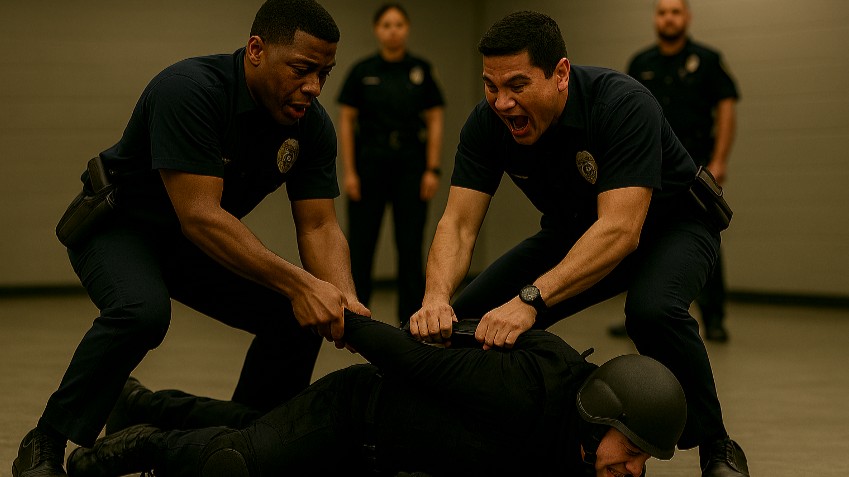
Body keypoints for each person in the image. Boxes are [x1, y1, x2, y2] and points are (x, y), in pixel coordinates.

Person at [11, 2, 369, 477]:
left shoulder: (311, 125)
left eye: (324, 73)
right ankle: (46, 439)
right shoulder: (190, 89)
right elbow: (200, 215)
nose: (313, 87)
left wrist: (341, 294)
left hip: (192, 242)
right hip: (122, 226)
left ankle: (240, 443)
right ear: (257, 50)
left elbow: (319, 225)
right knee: (142, 313)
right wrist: (303, 284)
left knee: (297, 317)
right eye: (302, 70)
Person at [407, 11, 748, 477]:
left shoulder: (621, 104)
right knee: (465, 324)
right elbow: (460, 223)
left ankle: (717, 447)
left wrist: (530, 299)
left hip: (673, 228)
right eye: (491, 86)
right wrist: (435, 298)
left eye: (517, 85)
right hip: (578, 232)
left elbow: (622, 231)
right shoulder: (486, 125)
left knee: (651, 310)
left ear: (560, 74)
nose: (502, 102)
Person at [64, 312, 687, 476]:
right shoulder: (523, 393)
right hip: (354, 414)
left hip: (383, 459)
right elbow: (417, 364)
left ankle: (141, 401)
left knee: (256, 423)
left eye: (642, 462)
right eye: (630, 450)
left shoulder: (582, 458)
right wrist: (343, 322)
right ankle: (135, 446)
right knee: (236, 462)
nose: (633, 469)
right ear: (597, 414)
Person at [610, 0, 739, 342]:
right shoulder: (641, 62)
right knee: (638, 237)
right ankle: (637, 312)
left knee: (701, 235)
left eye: (675, 12)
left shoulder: (708, 61)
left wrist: (720, 160)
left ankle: (714, 318)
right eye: (662, 12)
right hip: (649, 167)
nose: (668, 18)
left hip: (695, 169)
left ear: (687, 18)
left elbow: (726, 107)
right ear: (656, 18)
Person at [337, 3, 445, 325]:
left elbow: (436, 119)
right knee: (361, 246)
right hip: (369, 165)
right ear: (376, 30)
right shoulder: (362, 71)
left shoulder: (421, 70)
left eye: (398, 24)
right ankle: (356, 317)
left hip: (411, 165)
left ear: (407, 29)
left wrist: (432, 168)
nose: (393, 30)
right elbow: (346, 121)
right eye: (386, 24)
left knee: (410, 247)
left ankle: (410, 322)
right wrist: (350, 172)